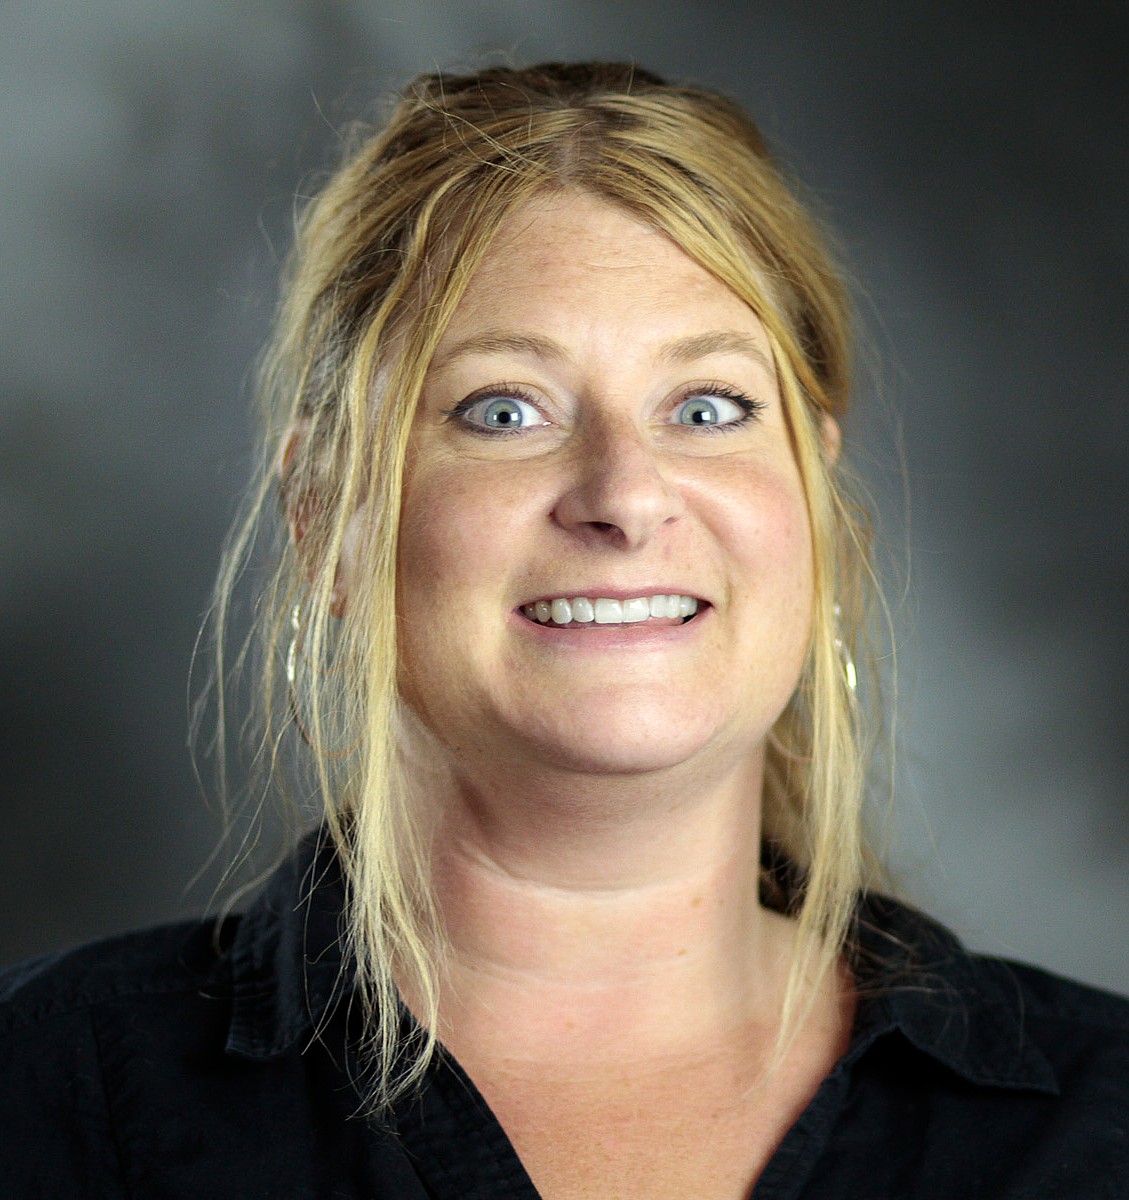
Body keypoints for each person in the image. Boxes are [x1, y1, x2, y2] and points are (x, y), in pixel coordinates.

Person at [2, 61, 1127, 1199]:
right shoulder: (44, 1097)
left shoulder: (1102, 1120)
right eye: (504, 411)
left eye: (707, 409)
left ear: (814, 502)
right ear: (325, 519)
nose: (626, 496)